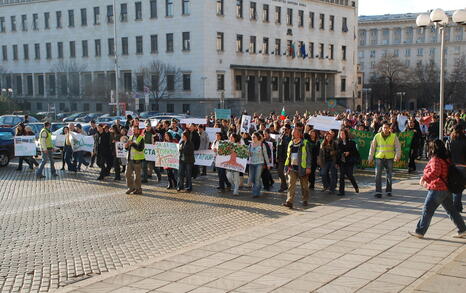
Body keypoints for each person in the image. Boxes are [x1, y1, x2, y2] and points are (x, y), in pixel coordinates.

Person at [409, 139, 466, 239]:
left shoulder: (436, 159)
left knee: (427, 209)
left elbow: (435, 172)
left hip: (437, 188)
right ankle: (463, 230)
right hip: (446, 188)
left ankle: (420, 231)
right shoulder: (446, 158)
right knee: (451, 210)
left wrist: (424, 178)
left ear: (432, 149)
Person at [368, 122, 401, 198]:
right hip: (379, 157)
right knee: (377, 175)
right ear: (382, 128)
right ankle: (378, 192)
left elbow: (398, 147)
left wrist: (397, 155)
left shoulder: (393, 136)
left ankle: (389, 191)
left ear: (389, 128)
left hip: (389, 158)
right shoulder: (377, 136)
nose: (385, 129)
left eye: (387, 127)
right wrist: (370, 157)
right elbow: (372, 147)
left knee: (389, 175)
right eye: (384, 127)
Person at [282, 128, 312, 209]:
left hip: (302, 168)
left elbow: (309, 156)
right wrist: (286, 166)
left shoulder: (305, 143)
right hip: (292, 168)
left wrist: (308, 167)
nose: (293, 134)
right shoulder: (290, 143)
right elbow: (288, 156)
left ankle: (305, 199)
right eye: (293, 132)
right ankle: (289, 201)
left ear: (299, 134)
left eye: (294, 132)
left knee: (304, 186)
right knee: (291, 184)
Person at [446, 125, 466, 213]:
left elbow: (448, 154)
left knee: (457, 187)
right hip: (464, 166)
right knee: (460, 187)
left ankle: (457, 206)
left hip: (454, 166)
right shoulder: (465, 141)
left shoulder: (451, 141)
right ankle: (457, 206)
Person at [337, 129, 360, 196]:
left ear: (346, 134)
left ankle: (356, 187)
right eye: (341, 134)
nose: (342, 135)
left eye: (343, 134)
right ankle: (341, 191)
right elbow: (338, 153)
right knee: (341, 177)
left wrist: (349, 152)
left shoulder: (351, 142)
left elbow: (356, 152)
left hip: (350, 161)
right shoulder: (339, 143)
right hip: (342, 162)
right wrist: (342, 154)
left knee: (350, 175)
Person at [248, 132, 270, 198]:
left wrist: (268, 164)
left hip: (260, 163)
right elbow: (249, 155)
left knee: (257, 178)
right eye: (252, 137)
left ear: (257, 137)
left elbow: (265, 155)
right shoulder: (250, 145)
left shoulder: (262, 145)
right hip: (252, 163)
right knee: (252, 178)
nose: (252, 138)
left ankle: (256, 193)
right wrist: (248, 153)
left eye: (254, 137)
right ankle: (258, 187)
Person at [125, 125, 145, 195]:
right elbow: (128, 149)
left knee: (137, 176)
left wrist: (132, 144)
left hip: (137, 160)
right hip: (130, 159)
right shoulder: (130, 137)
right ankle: (131, 187)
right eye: (133, 130)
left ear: (138, 130)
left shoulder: (141, 138)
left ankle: (138, 189)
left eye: (135, 130)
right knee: (127, 174)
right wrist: (126, 146)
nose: (134, 131)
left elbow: (140, 148)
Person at [276, 124, 292, 192]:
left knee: (289, 174)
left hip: (289, 158)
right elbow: (277, 147)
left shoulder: (292, 137)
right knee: (280, 172)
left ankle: (290, 187)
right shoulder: (280, 137)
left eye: (286, 129)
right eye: (283, 129)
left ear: (289, 130)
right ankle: (284, 186)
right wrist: (277, 156)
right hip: (281, 157)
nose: (284, 131)